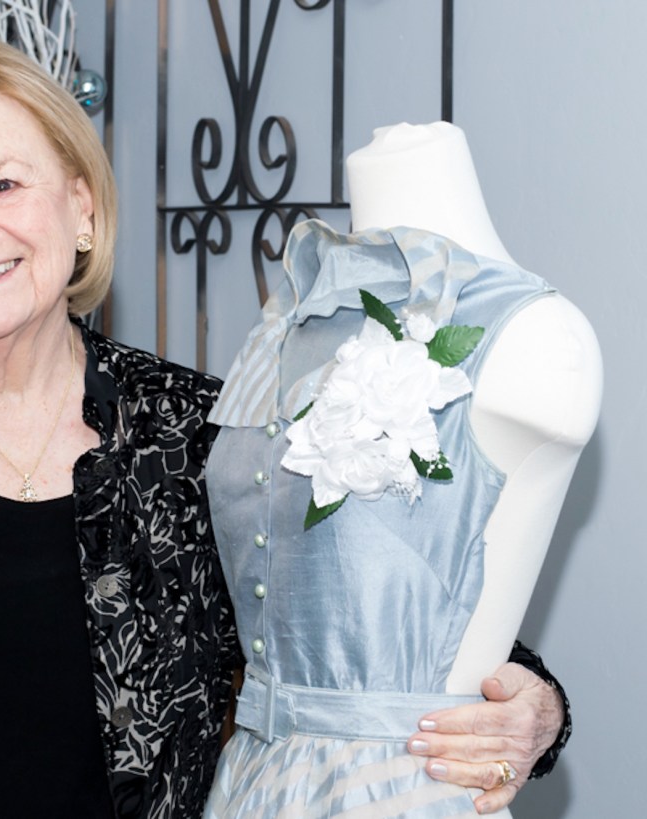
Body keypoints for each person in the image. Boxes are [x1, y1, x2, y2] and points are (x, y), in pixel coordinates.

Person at [0, 39, 568, 818]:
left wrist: (533, 702)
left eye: (3, 183)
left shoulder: (206, 432)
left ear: (81, 205)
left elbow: (362, 632)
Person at [204, 122, 600, 817]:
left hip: (398, 787)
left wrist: (541, 705)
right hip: (249, 783)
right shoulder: (283, 324)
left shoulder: (538, 337)